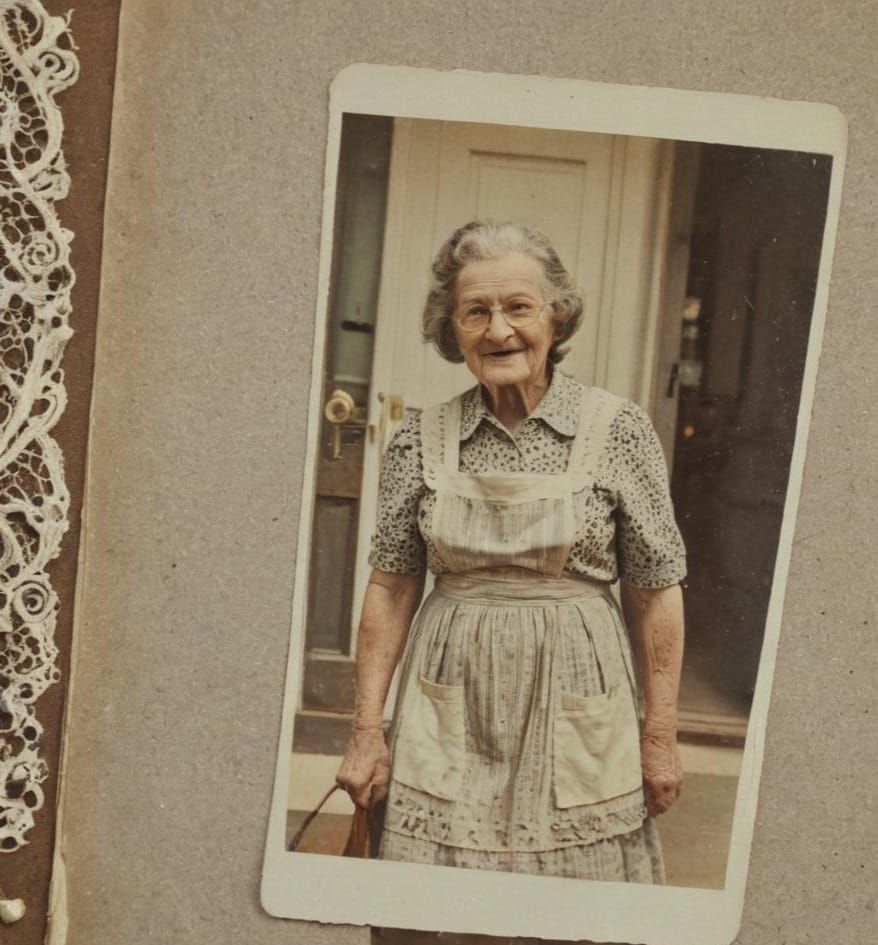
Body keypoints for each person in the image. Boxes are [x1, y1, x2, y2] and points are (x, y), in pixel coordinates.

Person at [336, 220, 686, 882]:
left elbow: (655, 590)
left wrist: (659, 736)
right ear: (453, 330)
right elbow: (391, 587)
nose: (499, 330)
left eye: (519, 307)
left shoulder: (617, 429)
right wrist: (366, 732)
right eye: (476, 312)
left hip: (577, 694)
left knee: (575, 902)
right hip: (450, 698)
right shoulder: (420, 438)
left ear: (556, 317)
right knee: (438, 899)